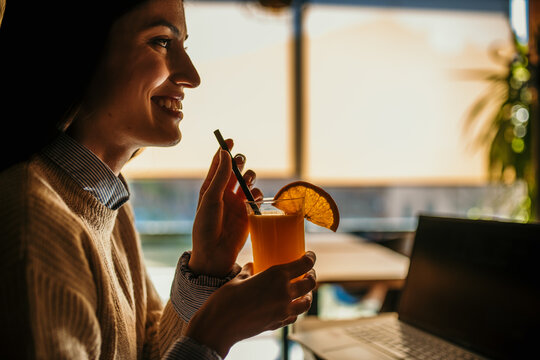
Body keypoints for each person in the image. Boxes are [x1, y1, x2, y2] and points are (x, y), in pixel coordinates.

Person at [0, 0, 317, 359]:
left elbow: (145, 352)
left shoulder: (110, 204)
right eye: (161, 42)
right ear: (77, 49)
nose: (192, 76)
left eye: (184, 45)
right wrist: (213, 335)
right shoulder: (34, 227)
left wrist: (205, 271)